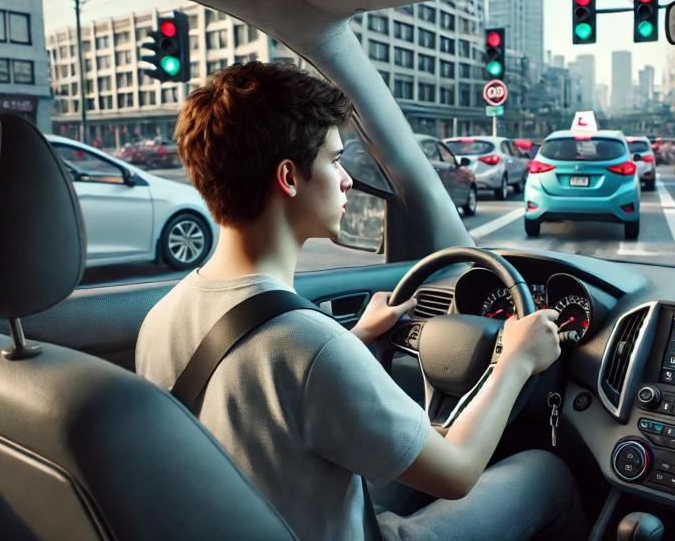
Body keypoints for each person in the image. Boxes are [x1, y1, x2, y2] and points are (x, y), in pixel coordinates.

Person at [136, 62, 584, 541]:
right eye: (335, 160)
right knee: (545, 474)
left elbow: (259, 398)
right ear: (288, 177)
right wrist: (515, 361)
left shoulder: (161, 318)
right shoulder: (312, 348)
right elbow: (456, 472)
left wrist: (357, 339)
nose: (347, 179)